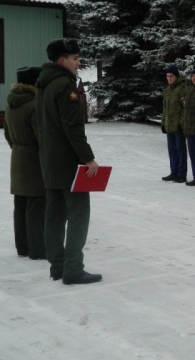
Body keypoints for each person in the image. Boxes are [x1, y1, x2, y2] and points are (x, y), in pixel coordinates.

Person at [35, 38, 101, 284]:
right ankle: (73, 268)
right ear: (62, 60)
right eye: (74, 58)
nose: (78, 62)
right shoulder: (65, 86)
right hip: (68, 163)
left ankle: (57, 266)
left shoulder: (43, 85)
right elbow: (73, 128)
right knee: (79, 214)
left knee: (54, 214)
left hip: (49, 161)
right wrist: (88, 159)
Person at [4, 66, 46, 260]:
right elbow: (43, 138)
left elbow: (7, 134)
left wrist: (18, 148)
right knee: (36, 204)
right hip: (34, 160)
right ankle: (38, 249)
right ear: (35, 83)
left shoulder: (11, 103)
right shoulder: (34, 105)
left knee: (20, 204)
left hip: (18, 158)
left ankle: (23, 247)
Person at [161, 65, 188, 183]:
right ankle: (174, 171)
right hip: (169, 125)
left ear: (176, 76)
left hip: (178, 126)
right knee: (172, 149)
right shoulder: (168, 89)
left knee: (180, 150)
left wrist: (181, 123)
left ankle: (182, 173)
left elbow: (185, 108)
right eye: (167, 76)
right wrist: (163, 123)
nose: (169, 78)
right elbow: (165, 108)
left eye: (171, 76)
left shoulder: (182, 88)